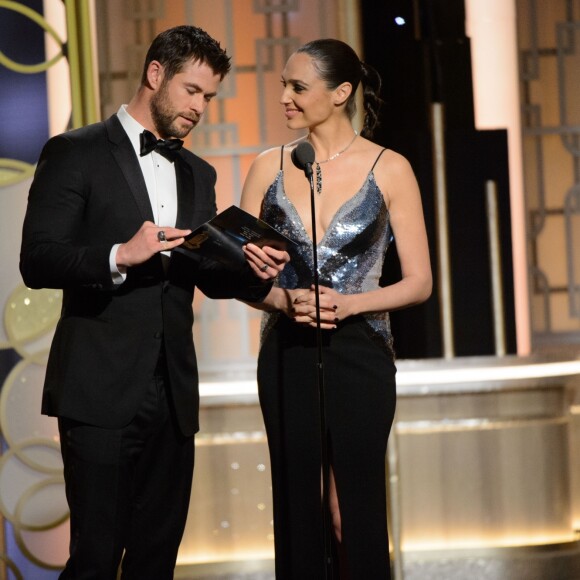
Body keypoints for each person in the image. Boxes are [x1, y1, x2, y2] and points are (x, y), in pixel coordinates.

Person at [19, 25, 288, 580]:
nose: (200, 108)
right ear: (155, 74)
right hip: (98, 390)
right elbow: (38, 259)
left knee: (156, 560)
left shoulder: (197, 173)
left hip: (172, 395)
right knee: (95, 558)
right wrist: (121, 253)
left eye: (209, 98)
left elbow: (202, 274)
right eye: (192, 91)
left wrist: (248, 266)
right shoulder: (75, 152)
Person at [240, 38, 432, 578]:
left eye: (298, 87)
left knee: (357, 515)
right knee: (298, 513)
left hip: (360, 355)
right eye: (283, 85)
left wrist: (349, 305)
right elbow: (236, 274)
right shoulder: (268, 166)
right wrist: (281, 297)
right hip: (287, 352)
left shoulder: (390, 168)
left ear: (342, 92)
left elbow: (419, 283)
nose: (285, 97)